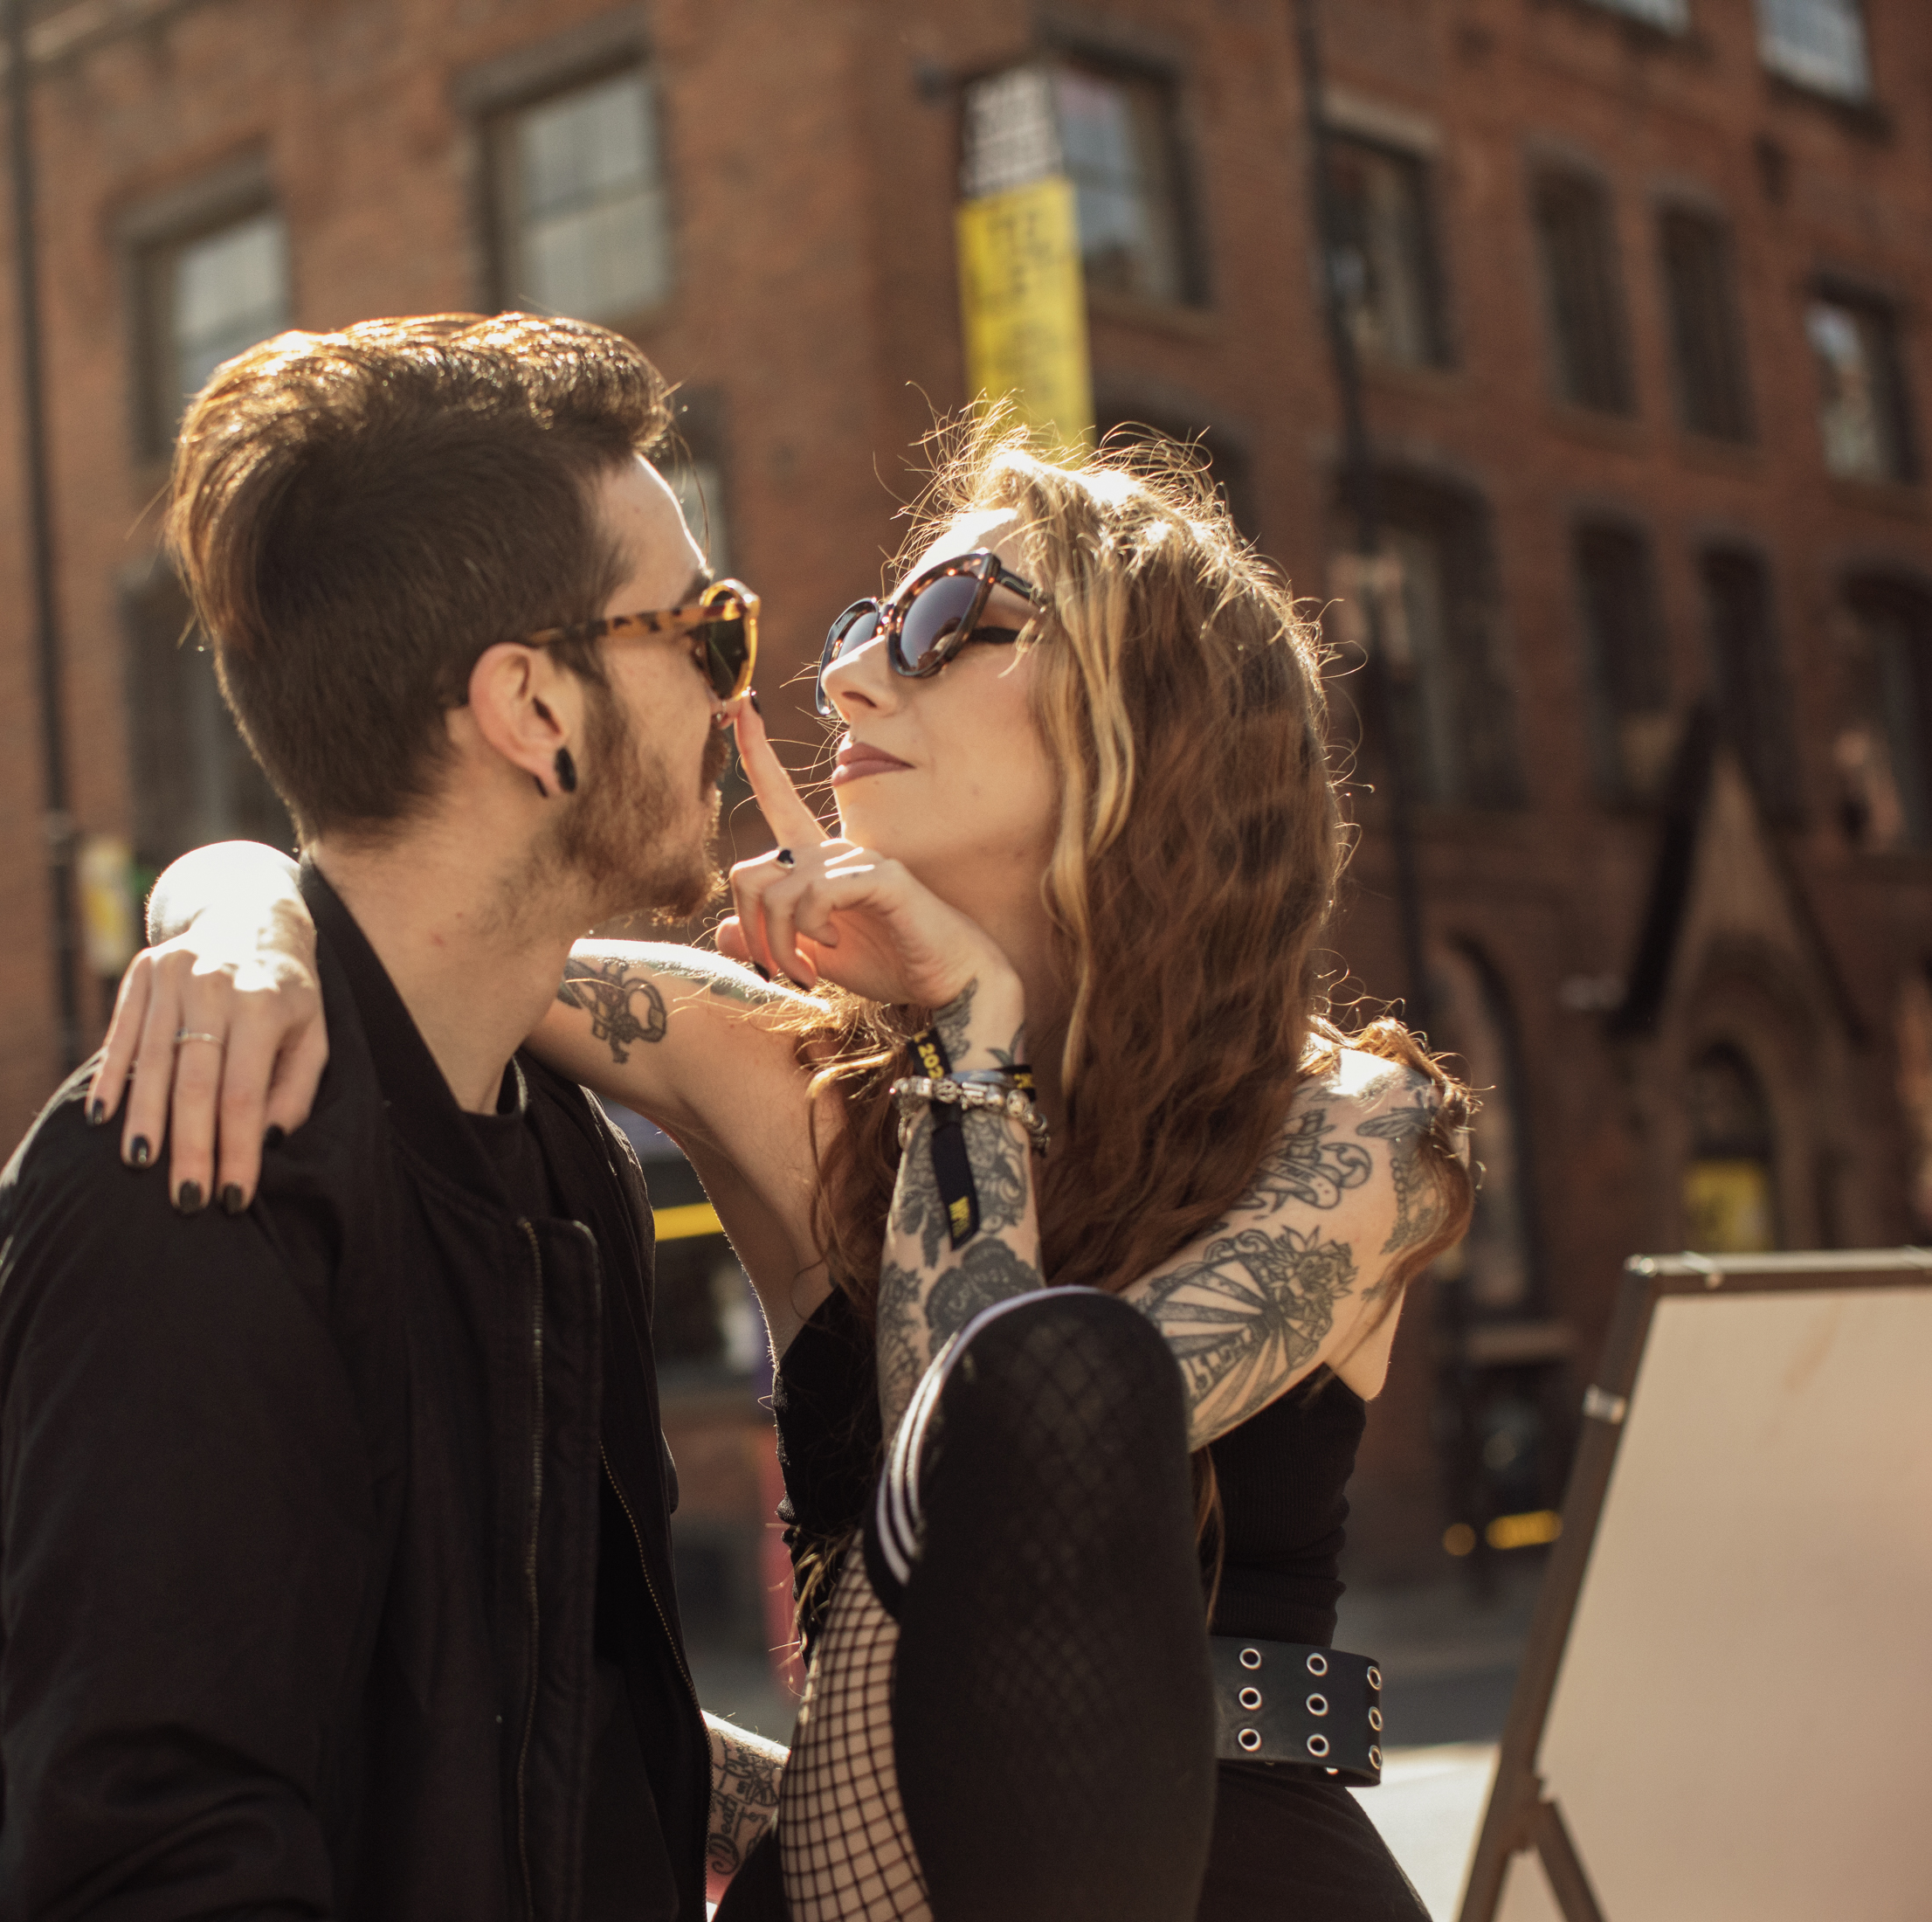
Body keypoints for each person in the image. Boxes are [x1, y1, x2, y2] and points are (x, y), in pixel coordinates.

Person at [92, 415, 1476, 1919]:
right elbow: (395, 915)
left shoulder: (1357, 1133)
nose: (844, 676)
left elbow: (1008, 1490)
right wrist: (231, 916)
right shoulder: (778, 1066)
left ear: (1156, 718)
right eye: (864, 626)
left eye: (949, 622)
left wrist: (969, 1038)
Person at [0, 313, 793, 1921]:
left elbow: (536, 1737)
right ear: (534, 708)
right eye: (704, 631)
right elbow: (159, 1868)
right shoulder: (194, 1171)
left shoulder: (553, 1145)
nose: (737, 693)